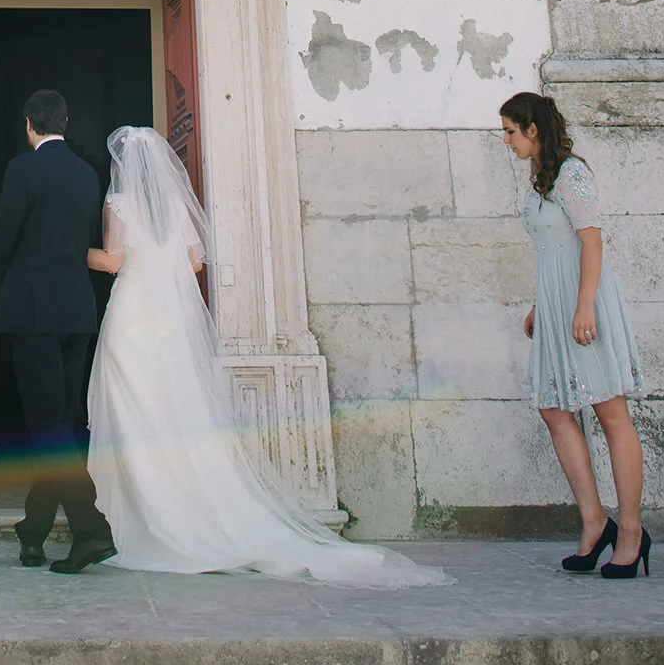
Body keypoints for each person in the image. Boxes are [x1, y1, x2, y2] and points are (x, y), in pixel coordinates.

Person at [83, 124, 447, 584]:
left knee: (133, 410)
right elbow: (196, 263)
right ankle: (185, 510)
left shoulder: (118, 204)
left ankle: (137, 516)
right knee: (175, 408)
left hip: (133, 313)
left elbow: (113, 261)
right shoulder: (174, 206)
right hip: (170, 319)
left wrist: (74, 252)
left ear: (122, 168)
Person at [500, 91, 649, 578]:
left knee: (610, 413)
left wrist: (583, 306)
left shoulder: (572, 175)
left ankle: (630, 533)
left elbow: (590, 240)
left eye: (510, 131)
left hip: (585, 307)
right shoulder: (539, 183)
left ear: (533, 129)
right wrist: (542, 305)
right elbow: (552, 248)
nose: (507, 141)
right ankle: (593, 521)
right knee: (553, 408)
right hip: (558, 306)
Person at [0, 88, 118, 573]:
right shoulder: (87, 174)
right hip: (77, 312)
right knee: (60, 427)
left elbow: (2, 238)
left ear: (29, 124)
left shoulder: (22, 170)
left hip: (34, 313)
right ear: (65, 121)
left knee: (46, 425)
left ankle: (91, 529)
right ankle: (33, 531)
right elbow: (83, 240)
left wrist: (12, 288)